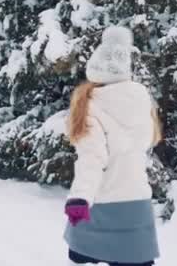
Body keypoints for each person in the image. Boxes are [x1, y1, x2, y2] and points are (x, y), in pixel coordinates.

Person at [64, 26, 162, 266]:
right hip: (137, 205)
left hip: (100, 206)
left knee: (81, 258)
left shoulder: (91, 106)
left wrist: (80, 198)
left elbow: (91, 159)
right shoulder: (141, 102)